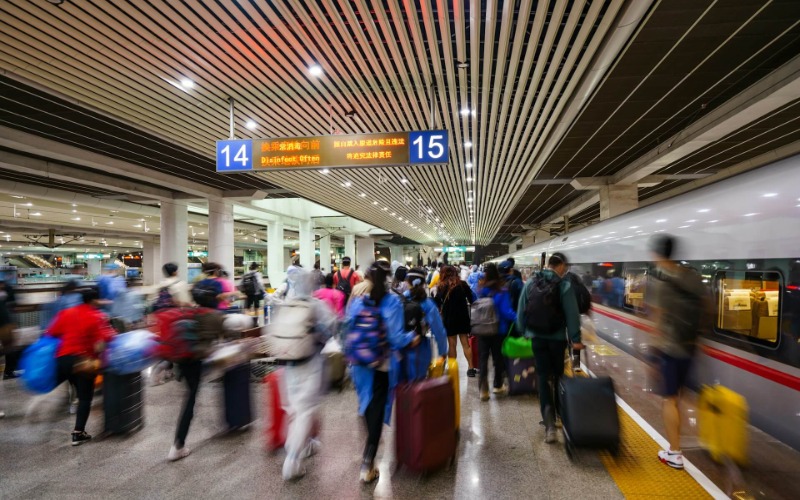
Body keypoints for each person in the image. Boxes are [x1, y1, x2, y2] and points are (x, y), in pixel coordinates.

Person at [345, 262, 418, 483]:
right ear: (387, 279)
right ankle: (367, 462)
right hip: (380, 364)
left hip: (358, 363)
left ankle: (369, 436)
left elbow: (346, 327)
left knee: (366, 403)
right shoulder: (391, 301)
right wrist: (411, 337)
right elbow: (396, 339)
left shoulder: (358, 301)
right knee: (377, 409)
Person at [647, 235, 705, 470]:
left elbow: (657, 320)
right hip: (691, 346)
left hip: (670, 348)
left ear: (659, 256)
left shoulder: (661, 282)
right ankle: (681, 444)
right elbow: (707, 309)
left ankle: (675, 452)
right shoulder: (693, 276)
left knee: (669, 400)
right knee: (680, 396)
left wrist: (652, 355)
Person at [276, 269, 337, 480]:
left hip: (287, 365)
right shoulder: (315, 305)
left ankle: (305, 444)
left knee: (295, 409)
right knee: (305, 410)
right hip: (310, 363)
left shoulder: (285, 305)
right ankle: (292, 461)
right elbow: (331, 328)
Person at [517, 252, 582, 444]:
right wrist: (576, 339)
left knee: (543, 378)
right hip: (557, 339)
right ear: (560, 266)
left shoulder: (531, 282)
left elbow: (521, 308)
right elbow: (572, 315)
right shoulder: (564, 285)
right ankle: (560, 415)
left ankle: (549, 426)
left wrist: (523, 331)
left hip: (537, 337)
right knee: (559, 376)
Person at [47, 287, 116, 446]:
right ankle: (78, 433)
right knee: (85, 397)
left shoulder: (67, 312)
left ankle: (69, 406)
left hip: (63, 359)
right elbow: (105, 339)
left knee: (73, 385)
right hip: (83, 362)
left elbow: (51, 332)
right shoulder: (96, 315)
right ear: (94, 301)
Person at [476, 263, 517, 400]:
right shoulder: (502, 290)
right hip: (498, 330)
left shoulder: (481, 290)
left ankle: (483, 390)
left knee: (483, 358)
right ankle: (497, 385)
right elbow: (506, 311)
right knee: (497, 358)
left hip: (482, 330)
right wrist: (518, 318)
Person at [401, 268, 448, 378]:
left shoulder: (399, 300)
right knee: (418, 388)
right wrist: (442, 353)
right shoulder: (428, 304)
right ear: (424, 283)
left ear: (407, 282)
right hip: (420, 351)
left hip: (400, 352)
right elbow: (439, 332)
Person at [434, 265, 476, 377]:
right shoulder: (462, 284)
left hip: (449, 319)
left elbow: (436, 302)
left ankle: (452, 368)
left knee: (452, 345)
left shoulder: (441, 286)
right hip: (463, 318)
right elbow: (472, 299)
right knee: (465, 345)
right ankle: (471, 368)